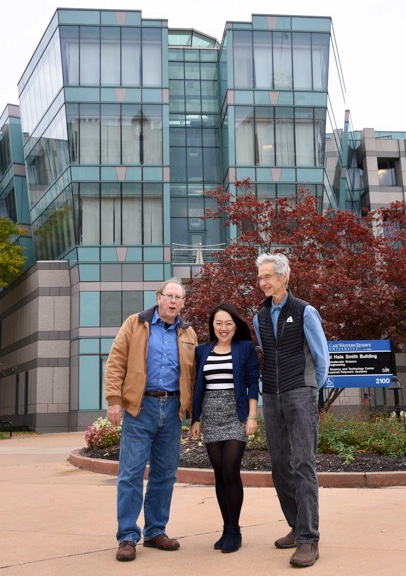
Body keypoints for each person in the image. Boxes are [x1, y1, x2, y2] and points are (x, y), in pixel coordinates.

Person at [105, 278, 197, 562]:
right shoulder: (135, 324)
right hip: (139, 406)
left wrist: (193, 413)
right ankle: (128, 537)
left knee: (165, 474)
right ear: (158, 297)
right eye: (169, 295)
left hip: (171, 410)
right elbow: (116, 362)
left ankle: (156, 531)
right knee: (131, 473)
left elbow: (192, 376)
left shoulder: (188, 333)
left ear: (183, 303)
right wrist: (114, 401)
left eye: (178, 297)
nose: (173, 301)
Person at [253, 253, 329, 568]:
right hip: (271, 395)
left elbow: (321, 357)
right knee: (280, 464)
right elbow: (267, 356)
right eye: (259, 278)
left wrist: (311, 390)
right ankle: (296, 527)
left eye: (267, 276)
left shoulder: (305, 311)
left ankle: (309, 540)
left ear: (284, 276)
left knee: (303, 465)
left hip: (300, 393)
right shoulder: (259, 317)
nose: (262, 282)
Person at [190, 303, 259, 554]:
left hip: (236, 414)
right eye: (218, 323)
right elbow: (199, 386)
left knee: (231, 469)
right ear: (212, 326)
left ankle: (235, 530)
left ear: (235, 325)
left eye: (228, 323)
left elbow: (252, 382)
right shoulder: (202, 351)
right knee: (219, 473)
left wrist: (252, 417)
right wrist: (195, 419)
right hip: (211, 414)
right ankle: (226, 527)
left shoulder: (244, 348)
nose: (223, 328)